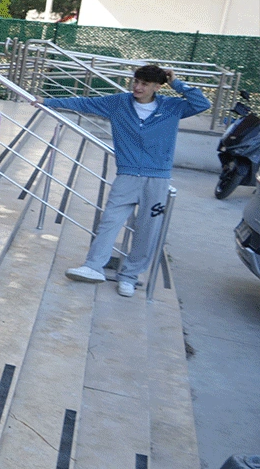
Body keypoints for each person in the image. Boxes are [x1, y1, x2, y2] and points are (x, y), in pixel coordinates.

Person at [43, 64, 209, 296]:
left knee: (147, 229)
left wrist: (177, 83)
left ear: (157, 87)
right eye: (136, 81)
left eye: (144, 84)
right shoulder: (119, 103)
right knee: (110, 220)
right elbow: (83, 102)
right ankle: (93, 267)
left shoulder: (172, 107)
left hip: (157, 178)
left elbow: (203, 104)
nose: (137, 87)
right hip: (127, 175)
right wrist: (46, 101)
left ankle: (130, 276)